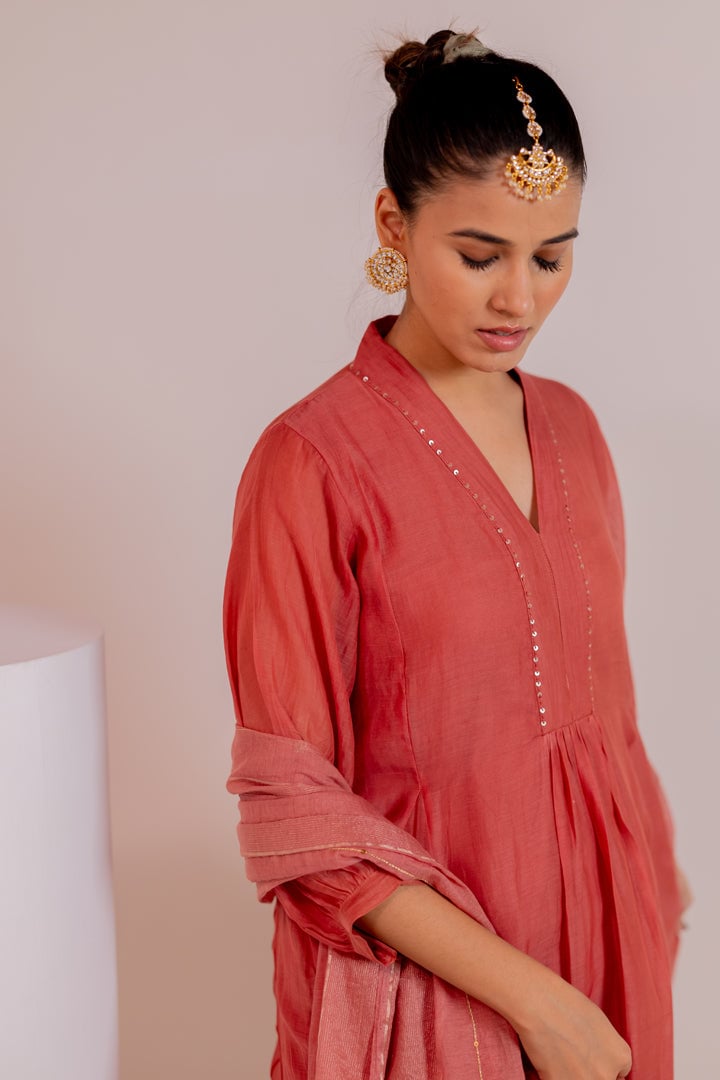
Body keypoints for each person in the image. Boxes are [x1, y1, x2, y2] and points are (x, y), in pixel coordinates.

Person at [223, 29, 691, 1080]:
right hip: (434, 991)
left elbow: (605, 709)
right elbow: (293, 809)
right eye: (479, 257)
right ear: (393, 224)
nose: (518, 298)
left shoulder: (573, 430)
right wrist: (535, 1003)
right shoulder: (313, 461)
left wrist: (656, 881)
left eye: (551, 258)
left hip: (610, 956)